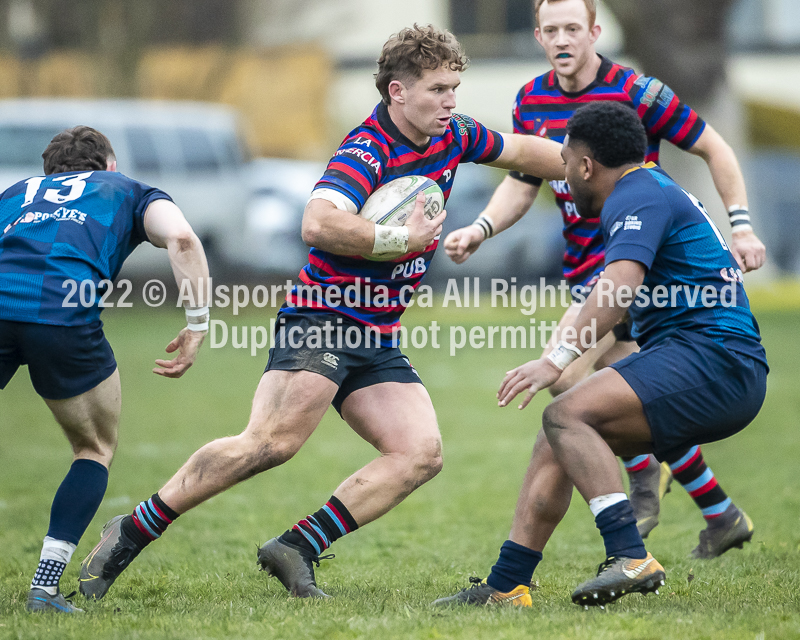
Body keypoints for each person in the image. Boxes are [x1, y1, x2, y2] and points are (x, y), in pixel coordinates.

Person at [77, 24, 565, 602]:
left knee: (418, 454)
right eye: (438, 89)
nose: (451, 101)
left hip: (375, 332)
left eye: (455, 88)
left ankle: (297, 546)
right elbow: (317, 222)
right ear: (397, 92)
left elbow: (523, 150)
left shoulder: (454, 134)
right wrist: (395, 239)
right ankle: (131, 530)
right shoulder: (366, 149)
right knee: (270, 444)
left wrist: (603, 168)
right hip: (323, 318)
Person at [444, 0, 766, 553]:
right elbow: (524, 182)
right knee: (616, 391)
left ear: (595, 31)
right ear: (539, 37)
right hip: (586, 276)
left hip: (640, 279)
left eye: (574, 28)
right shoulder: (530, 98)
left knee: (574, 388)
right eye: (551, 30)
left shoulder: (638, 92)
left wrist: (741, 226)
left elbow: (715, 146)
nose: (562, 38)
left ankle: (642, 485)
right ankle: (719, 512)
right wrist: (480, 227)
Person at [0, 126, 209, 613]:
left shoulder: (15, 193)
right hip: (62, 315)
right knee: (93, 448)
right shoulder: (126, 189)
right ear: (109, 167)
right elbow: (179, 235)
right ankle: (44, 588)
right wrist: (197, 322)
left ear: (48, 174)